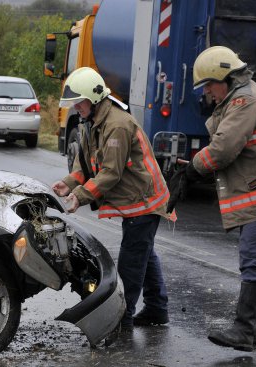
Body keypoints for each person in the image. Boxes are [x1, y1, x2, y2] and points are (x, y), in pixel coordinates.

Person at [178, 46, 256, 351]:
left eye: (210, 84)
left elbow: (224, 149)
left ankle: (243, 330)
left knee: (254, 261)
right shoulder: (242, 96)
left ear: (226, 78)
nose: (207, 92)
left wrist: (194, 169)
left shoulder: (245, 100)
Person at [51, 67, 171, 328]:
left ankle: (122, 319)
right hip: (137, 200)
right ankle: (157, 309)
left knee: (131, 262)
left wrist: (79, 197)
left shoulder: (117, 124)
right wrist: (69, 182)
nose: (75, 108)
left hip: (146, 202)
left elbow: (111, 173)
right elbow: (86, 163)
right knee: (144, 254)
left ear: (93, 99)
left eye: (78, 102)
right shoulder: (93, 122)